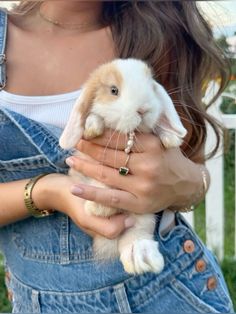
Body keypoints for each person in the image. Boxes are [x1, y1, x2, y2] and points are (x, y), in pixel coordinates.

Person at [0, 1, 234, 313]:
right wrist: (48, 191)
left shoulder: (156, 31)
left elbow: (194, 175)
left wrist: (184, 182)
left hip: (169, 291)